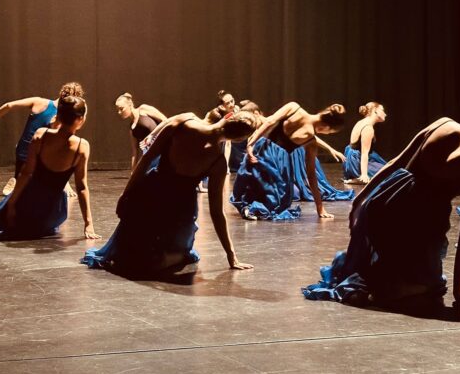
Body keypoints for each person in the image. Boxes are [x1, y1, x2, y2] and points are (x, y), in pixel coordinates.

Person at [303, 94, 460, 307]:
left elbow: (395, 162)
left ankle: (380, 278)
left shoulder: (444, 124)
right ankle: (382, 286)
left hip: (384, 202)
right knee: (432, 286)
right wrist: (459, 293)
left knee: (397, 267)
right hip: (417, 223)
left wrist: (361, 200)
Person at [81, 111, 259, 275]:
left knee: (133, 251)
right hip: (179, 211)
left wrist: (126, 194)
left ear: (228, 116)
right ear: (238, 139)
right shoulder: (217, 162)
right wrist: (231, 255)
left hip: (150, 196)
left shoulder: (184, 122)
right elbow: (216, 211)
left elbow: (146, 159)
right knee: (169, 256)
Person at [0, 96, 100, 240]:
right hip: (52, 210)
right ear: (80, 120)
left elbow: (26, 173)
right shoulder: (82, 146)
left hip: (26, 201)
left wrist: (11, 204)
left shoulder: (41, 135)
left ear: (58, 115)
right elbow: (81, 187)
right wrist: (88, 224)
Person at [231, 102, 352, 221]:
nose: (326, 133)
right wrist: (320, 208)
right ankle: (254, 208)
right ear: (326, 127)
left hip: (262, 149)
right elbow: (311, 175)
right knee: (275, 199)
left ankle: (248, 206)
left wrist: (251, 144)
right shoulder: (310, 141)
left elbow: (269, 122)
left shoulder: (294, 107)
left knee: (251, 183)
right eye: (329, 132)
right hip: (278, 162)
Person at [0, 82, 83, 195]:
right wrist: (64, 183)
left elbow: (9, 105)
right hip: (38, 157)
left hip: (22, 152)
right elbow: (58, 147)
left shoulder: (38, 101)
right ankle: (20, 180)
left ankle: (18, 178)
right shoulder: (61, 118)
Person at [114, 93, 167, 170]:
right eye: (117, 110)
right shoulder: (132, 128)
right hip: (150, 156)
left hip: (162, 148)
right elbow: (135, 152)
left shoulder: (143, 109)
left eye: (121, 109)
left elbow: (165, 121)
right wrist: (133, 171)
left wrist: (152, 135)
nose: (119, 112)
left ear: (130, 105)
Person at [343, 102, 387, 184]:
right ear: (376, 110)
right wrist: (364, 174)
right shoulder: (368, 128)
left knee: (389, 168)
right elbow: (364, 153)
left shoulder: (361, 122)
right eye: (383, 110)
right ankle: (360, 176)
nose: (385, 114)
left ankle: (357, 176)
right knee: (391, 174)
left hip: (352, 160)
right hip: (356, 162)